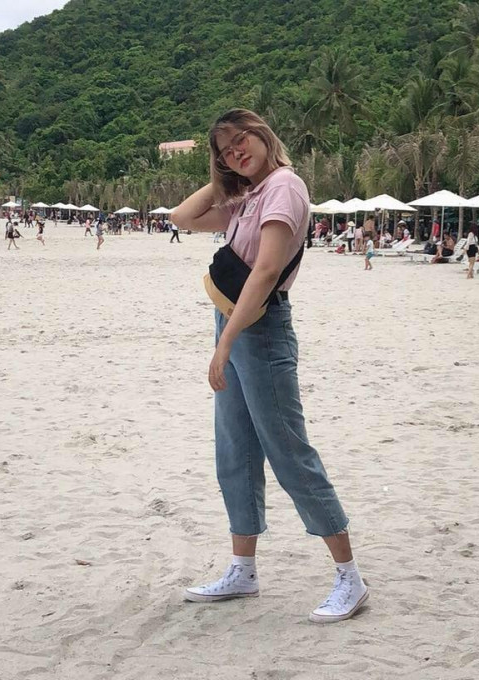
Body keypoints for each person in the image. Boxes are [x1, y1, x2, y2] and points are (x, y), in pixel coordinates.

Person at [171, 108, 368, 623]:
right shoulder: (250, 196)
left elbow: (265, 271)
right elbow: (181, 218)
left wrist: (225, 343)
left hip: (259, 327)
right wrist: (222, 178)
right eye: (225, 150)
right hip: (233, 322)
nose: (235, 152)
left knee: (288, 450)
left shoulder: (284, 187)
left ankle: (349, 577)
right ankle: (243, 570)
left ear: (263, 134)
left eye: (241, 140)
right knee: (235, 448)